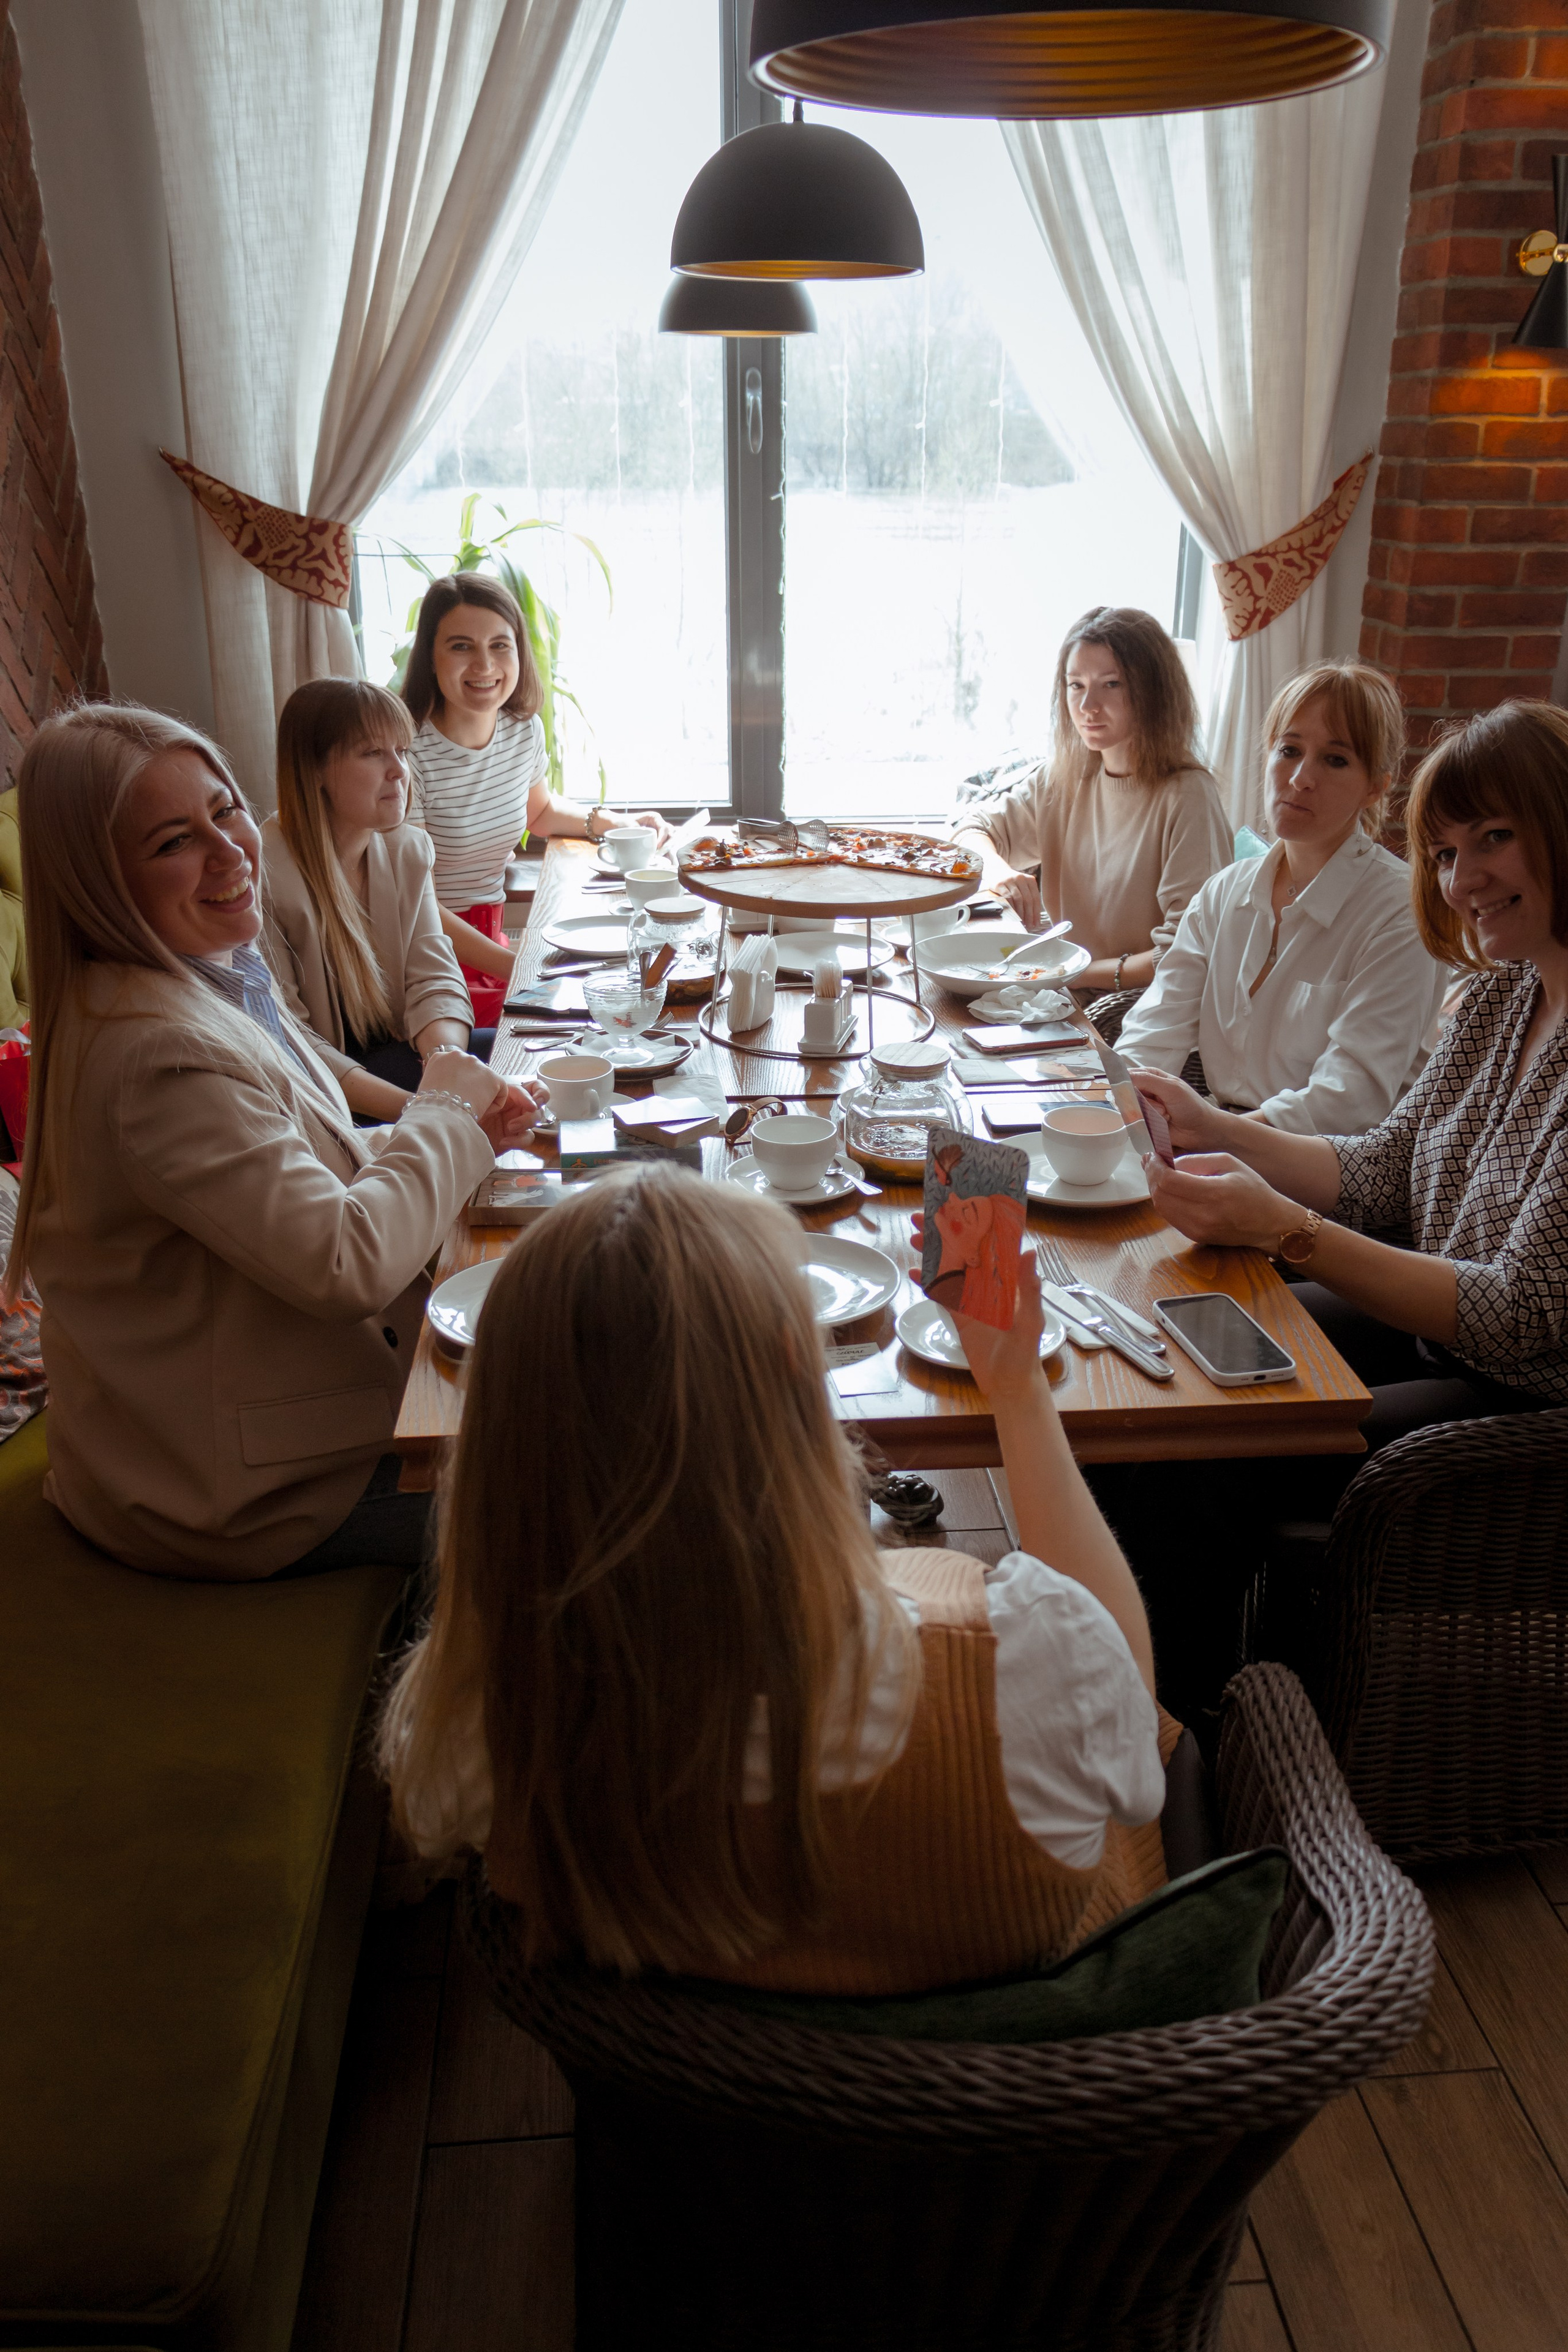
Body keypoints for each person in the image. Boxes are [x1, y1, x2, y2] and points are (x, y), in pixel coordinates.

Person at [380, 1166, 1175, 1992]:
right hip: (1027, 2079)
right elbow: (1128, 1711)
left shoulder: (472, 1732)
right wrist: (1014, 1386)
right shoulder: (1038, 1664)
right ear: (798, 1374)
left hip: (691, 2092)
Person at [2, 701, 541, 1580]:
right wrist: (441, 1114)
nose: (229, 853)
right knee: (610, 1483)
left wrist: (469, 1131)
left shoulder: (200, 975)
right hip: (243, 1490)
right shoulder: (153, 1055)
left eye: (225, 811)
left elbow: (307, 1167)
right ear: (97, 880)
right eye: (174, 841)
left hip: (262, 1418)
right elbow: (344, 1261)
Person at [1103, 700, 1568, 1718]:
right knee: (1163, 1389)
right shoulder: (1503, 997)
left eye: (1495, 836)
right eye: (1446, 852)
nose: (1464, 879)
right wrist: (1215, 1127)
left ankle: (1189, 1748)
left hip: (1526, 1408)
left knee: (1200, 1464)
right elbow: (1391, 1168)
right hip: (1441, 1341)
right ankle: (1126, 1698)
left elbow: (1523, 1314)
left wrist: (1287, 1231)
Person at [1117, 661, 1449, 1136]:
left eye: (1335, 760)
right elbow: (1154, 1033)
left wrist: (1212, 1140)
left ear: (1376, 786)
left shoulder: (1399, 911)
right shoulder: (1223, 893)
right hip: (1219, 1142)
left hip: (1330, 1170)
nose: (1300, 778)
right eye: (1289, 750)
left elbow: (1348, 1099)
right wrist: (1121, 1117)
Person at [402, 575, 671, 1025]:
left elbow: (541, 812)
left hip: (490, 940)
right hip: (429, 954)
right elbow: (415, 903)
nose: (485, 664)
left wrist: (622, 826)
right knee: (590, 1015)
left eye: (500, 645)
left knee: (624, 1001)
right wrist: (524, 969)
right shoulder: (407, 753)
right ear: (430, 656)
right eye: (462, 646)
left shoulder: (520, 729)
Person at [953, 606, 1231, 994]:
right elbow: (970, 829)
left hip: (1133, 1012)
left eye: (1111, 684)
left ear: (1152, 691)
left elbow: (1185, 953)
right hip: (1062, 994)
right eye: (1076, 685)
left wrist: (1067, 973)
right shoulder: (1065, 778)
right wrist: (999, 872)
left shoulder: (1187, 797)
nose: (1087, 707)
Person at [263, 677, 482, 1107]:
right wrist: (426, 1112)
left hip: (405, 1064)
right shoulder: (263, 874)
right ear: (315, 769)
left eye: (401, 750)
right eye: (372, 753)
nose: (400, 770)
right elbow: (293, 1045)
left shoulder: (409, 850)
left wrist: (444, 1064)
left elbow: (434, 981)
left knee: (532, 1067)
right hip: (327, 1097)